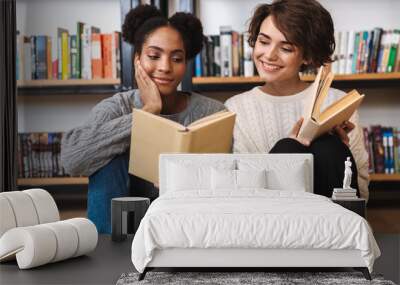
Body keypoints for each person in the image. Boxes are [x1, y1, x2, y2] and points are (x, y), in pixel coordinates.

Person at [61, 5, 225, 233]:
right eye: (154, 56)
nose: (165, 67)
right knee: (107, 153)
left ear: (185, 64)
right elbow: (72, 160)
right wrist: (148, 112)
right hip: (122, 225)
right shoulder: (117, 107)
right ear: (137, 59)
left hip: (187, 222)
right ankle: (109, 254)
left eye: (176, 59)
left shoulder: (212, 111)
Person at [225, 0, 369, 199]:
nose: (269, 55)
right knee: (288, 148)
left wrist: (340, 154)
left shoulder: (337, 101)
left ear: (307, 56)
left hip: (333, 221)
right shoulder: (235, 108)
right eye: (264, 42)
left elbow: (361, 185)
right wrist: (286, 153)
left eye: (286, 48)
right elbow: (238, 189)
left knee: (329, 147)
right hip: (268, 218)